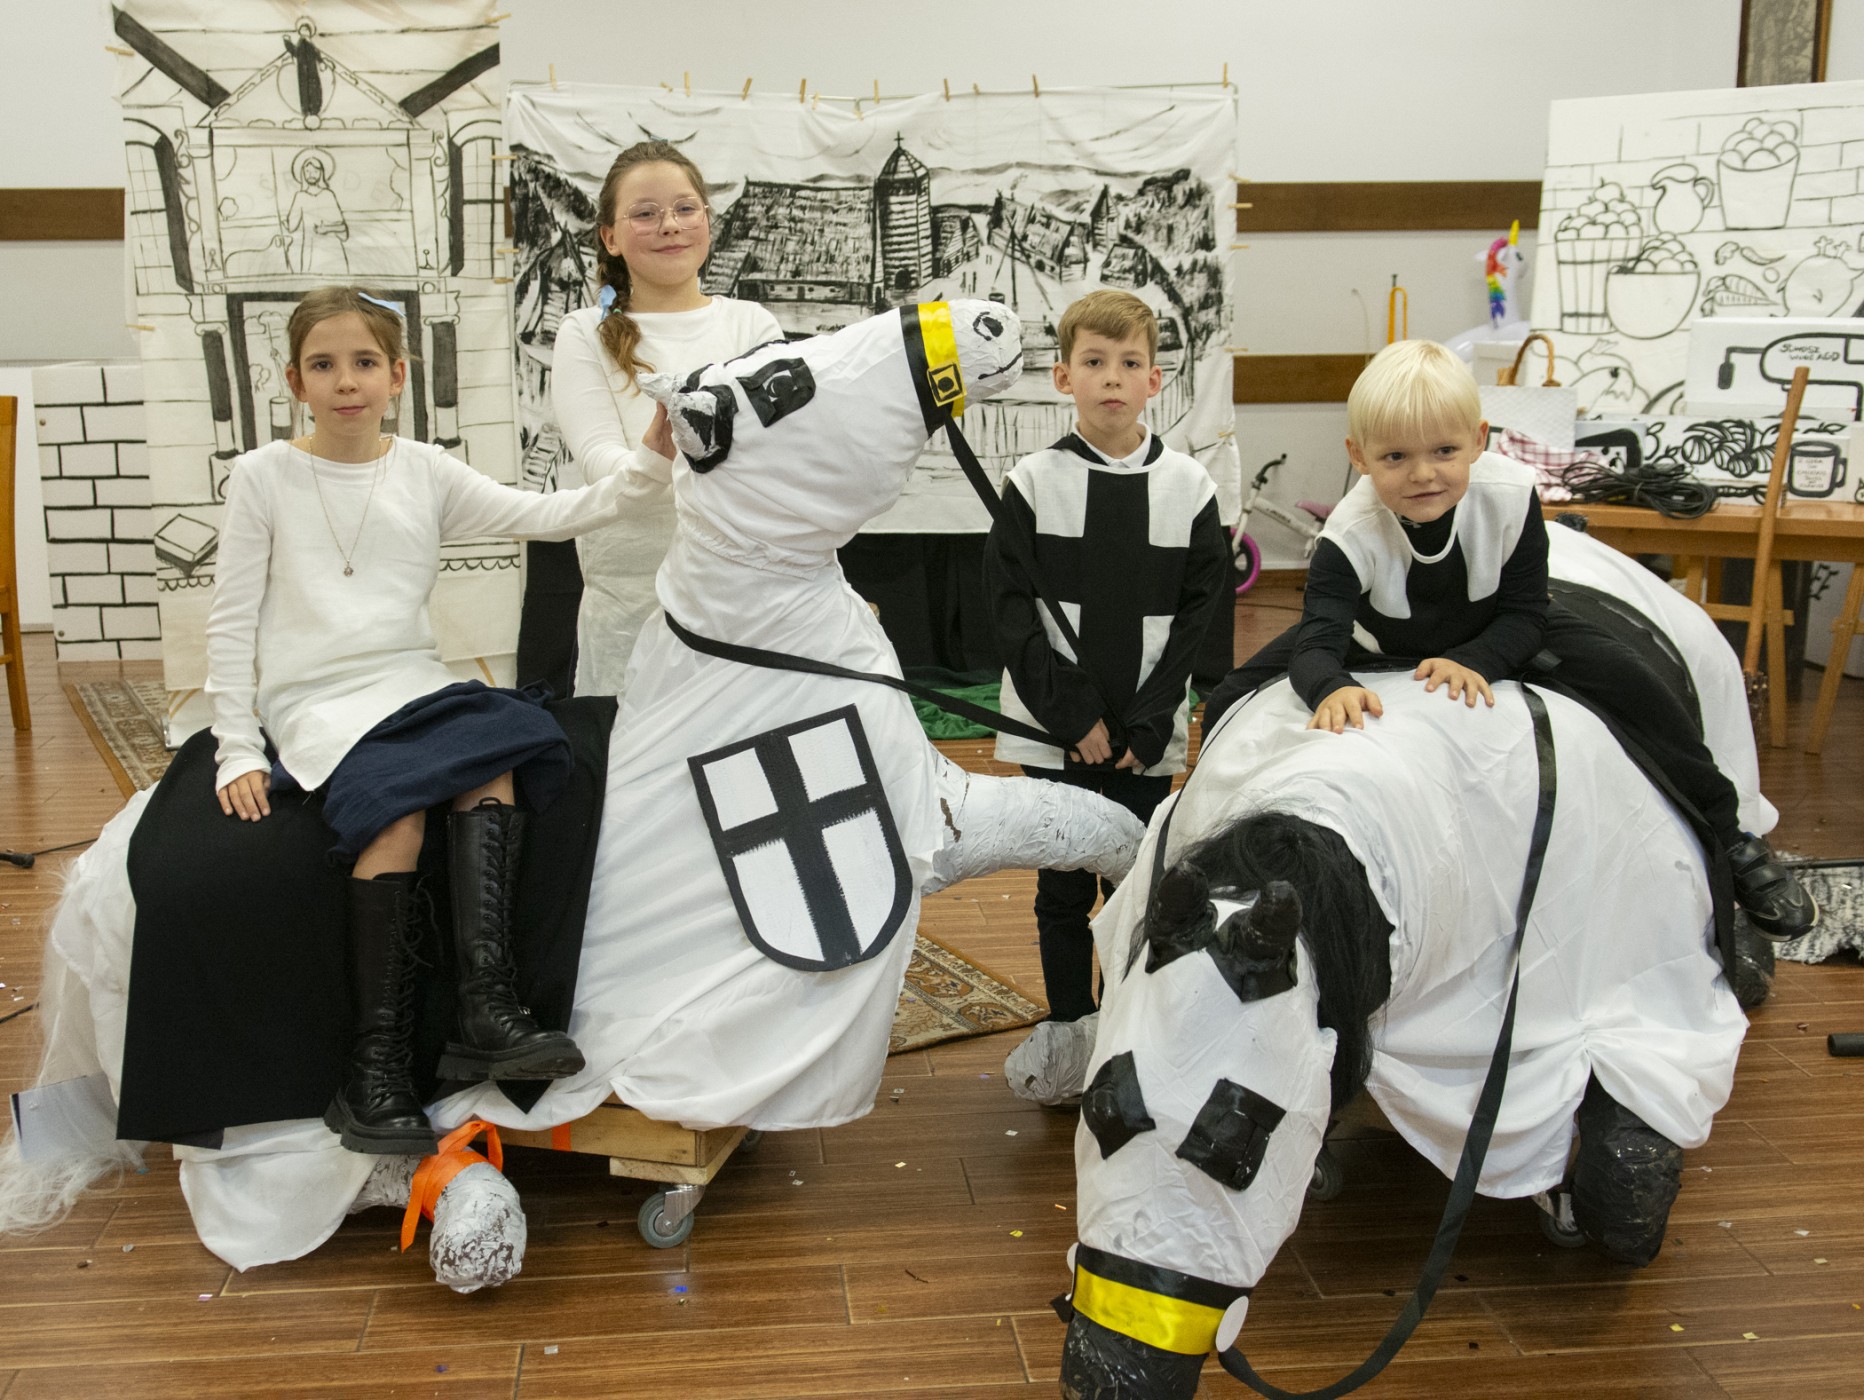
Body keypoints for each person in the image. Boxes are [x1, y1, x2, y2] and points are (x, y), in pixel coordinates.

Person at [205, 285, 673, 1157]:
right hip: (316, 699)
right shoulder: (265, 476)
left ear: (398, 375)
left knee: (494, 751)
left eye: (364, 363)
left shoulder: (423, 468)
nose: (346, 381)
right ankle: (374, 1069)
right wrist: (237, 744)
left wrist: (648, 463)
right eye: (323, 365)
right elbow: (231, 621)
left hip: (407, 681)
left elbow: (550, 515)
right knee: (398, 816)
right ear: (295, 382)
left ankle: (486, 1010)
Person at [1202, 339, 1815, 940]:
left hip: (1494, 625)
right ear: (1358, 456)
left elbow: (1526, 613)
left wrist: (1474, 660)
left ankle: (1733, 840)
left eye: (1445, 450)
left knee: (1640, 685)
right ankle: (1203, 849)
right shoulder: (1348, 534)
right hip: (1375, 639)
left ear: (1479, 439)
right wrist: (1331, 686)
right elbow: (1317, 642)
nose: (1423, 473)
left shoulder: (1511, 494)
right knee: (1229, 692)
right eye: (1396, 457)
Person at [985, 290, 1231, 1021]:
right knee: (1061, 890)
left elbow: (1198, 623)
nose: (1112, 377)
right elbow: (1011, 614)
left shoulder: (1190, 488)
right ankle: (1069, 1026)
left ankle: (1125, 1030)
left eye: (1129, 363)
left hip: (1144, 735)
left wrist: (1152, 726)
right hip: (1056, 732)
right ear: (1064, 377)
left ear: (1155, 379)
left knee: (1133, 891)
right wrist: (1070, 716)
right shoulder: (1032, 483)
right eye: (1094, 362)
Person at [544, 140, 782, 698]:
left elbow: (780, 457)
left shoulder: (753, 325)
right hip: (633, 605)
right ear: (610, 237)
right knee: (636, 746)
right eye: (645, 214)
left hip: (747, 597)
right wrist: (663, 452)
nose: (670, 225)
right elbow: (601, 464)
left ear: (707, 220)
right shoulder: (583, 333)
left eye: (685, 208)